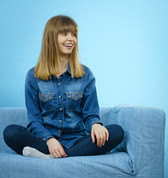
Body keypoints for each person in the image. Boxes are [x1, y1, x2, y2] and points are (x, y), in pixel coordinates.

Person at [3, 15, 124, 159]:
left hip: (78, 140)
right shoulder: (33, 76)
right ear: (51, 38)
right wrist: (50, 140)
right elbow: (34, 121)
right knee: (10, 132)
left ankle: (51, 157)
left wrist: (96, 125)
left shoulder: (85, 74)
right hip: (46, 141)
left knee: (117, 132)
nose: (71, 39)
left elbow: (90, 114)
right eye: (64, 34)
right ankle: (59, 153)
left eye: (74, 34)